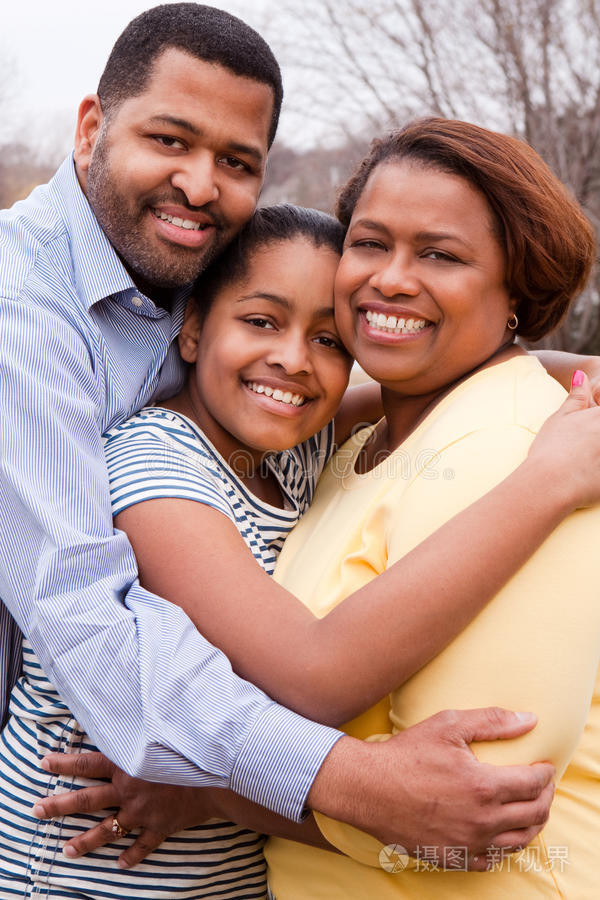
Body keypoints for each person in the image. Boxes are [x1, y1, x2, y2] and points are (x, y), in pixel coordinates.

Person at [0, 1, 593, 885]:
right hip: (88, 857)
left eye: (236, 162)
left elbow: (320, 398)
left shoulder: (188, 285)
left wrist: (538, 361)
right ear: (91, 127)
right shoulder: (30, 325)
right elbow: (93, 632)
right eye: (169, 140)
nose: (201, 186)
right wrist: (350, 782)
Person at [257, 119, 600, 897]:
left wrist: (201, 792)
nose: (391, 279)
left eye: (439, 255)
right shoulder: (356, 444)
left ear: (516, 284)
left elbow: (475, 804)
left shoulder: (521, 448)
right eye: (371, 243)